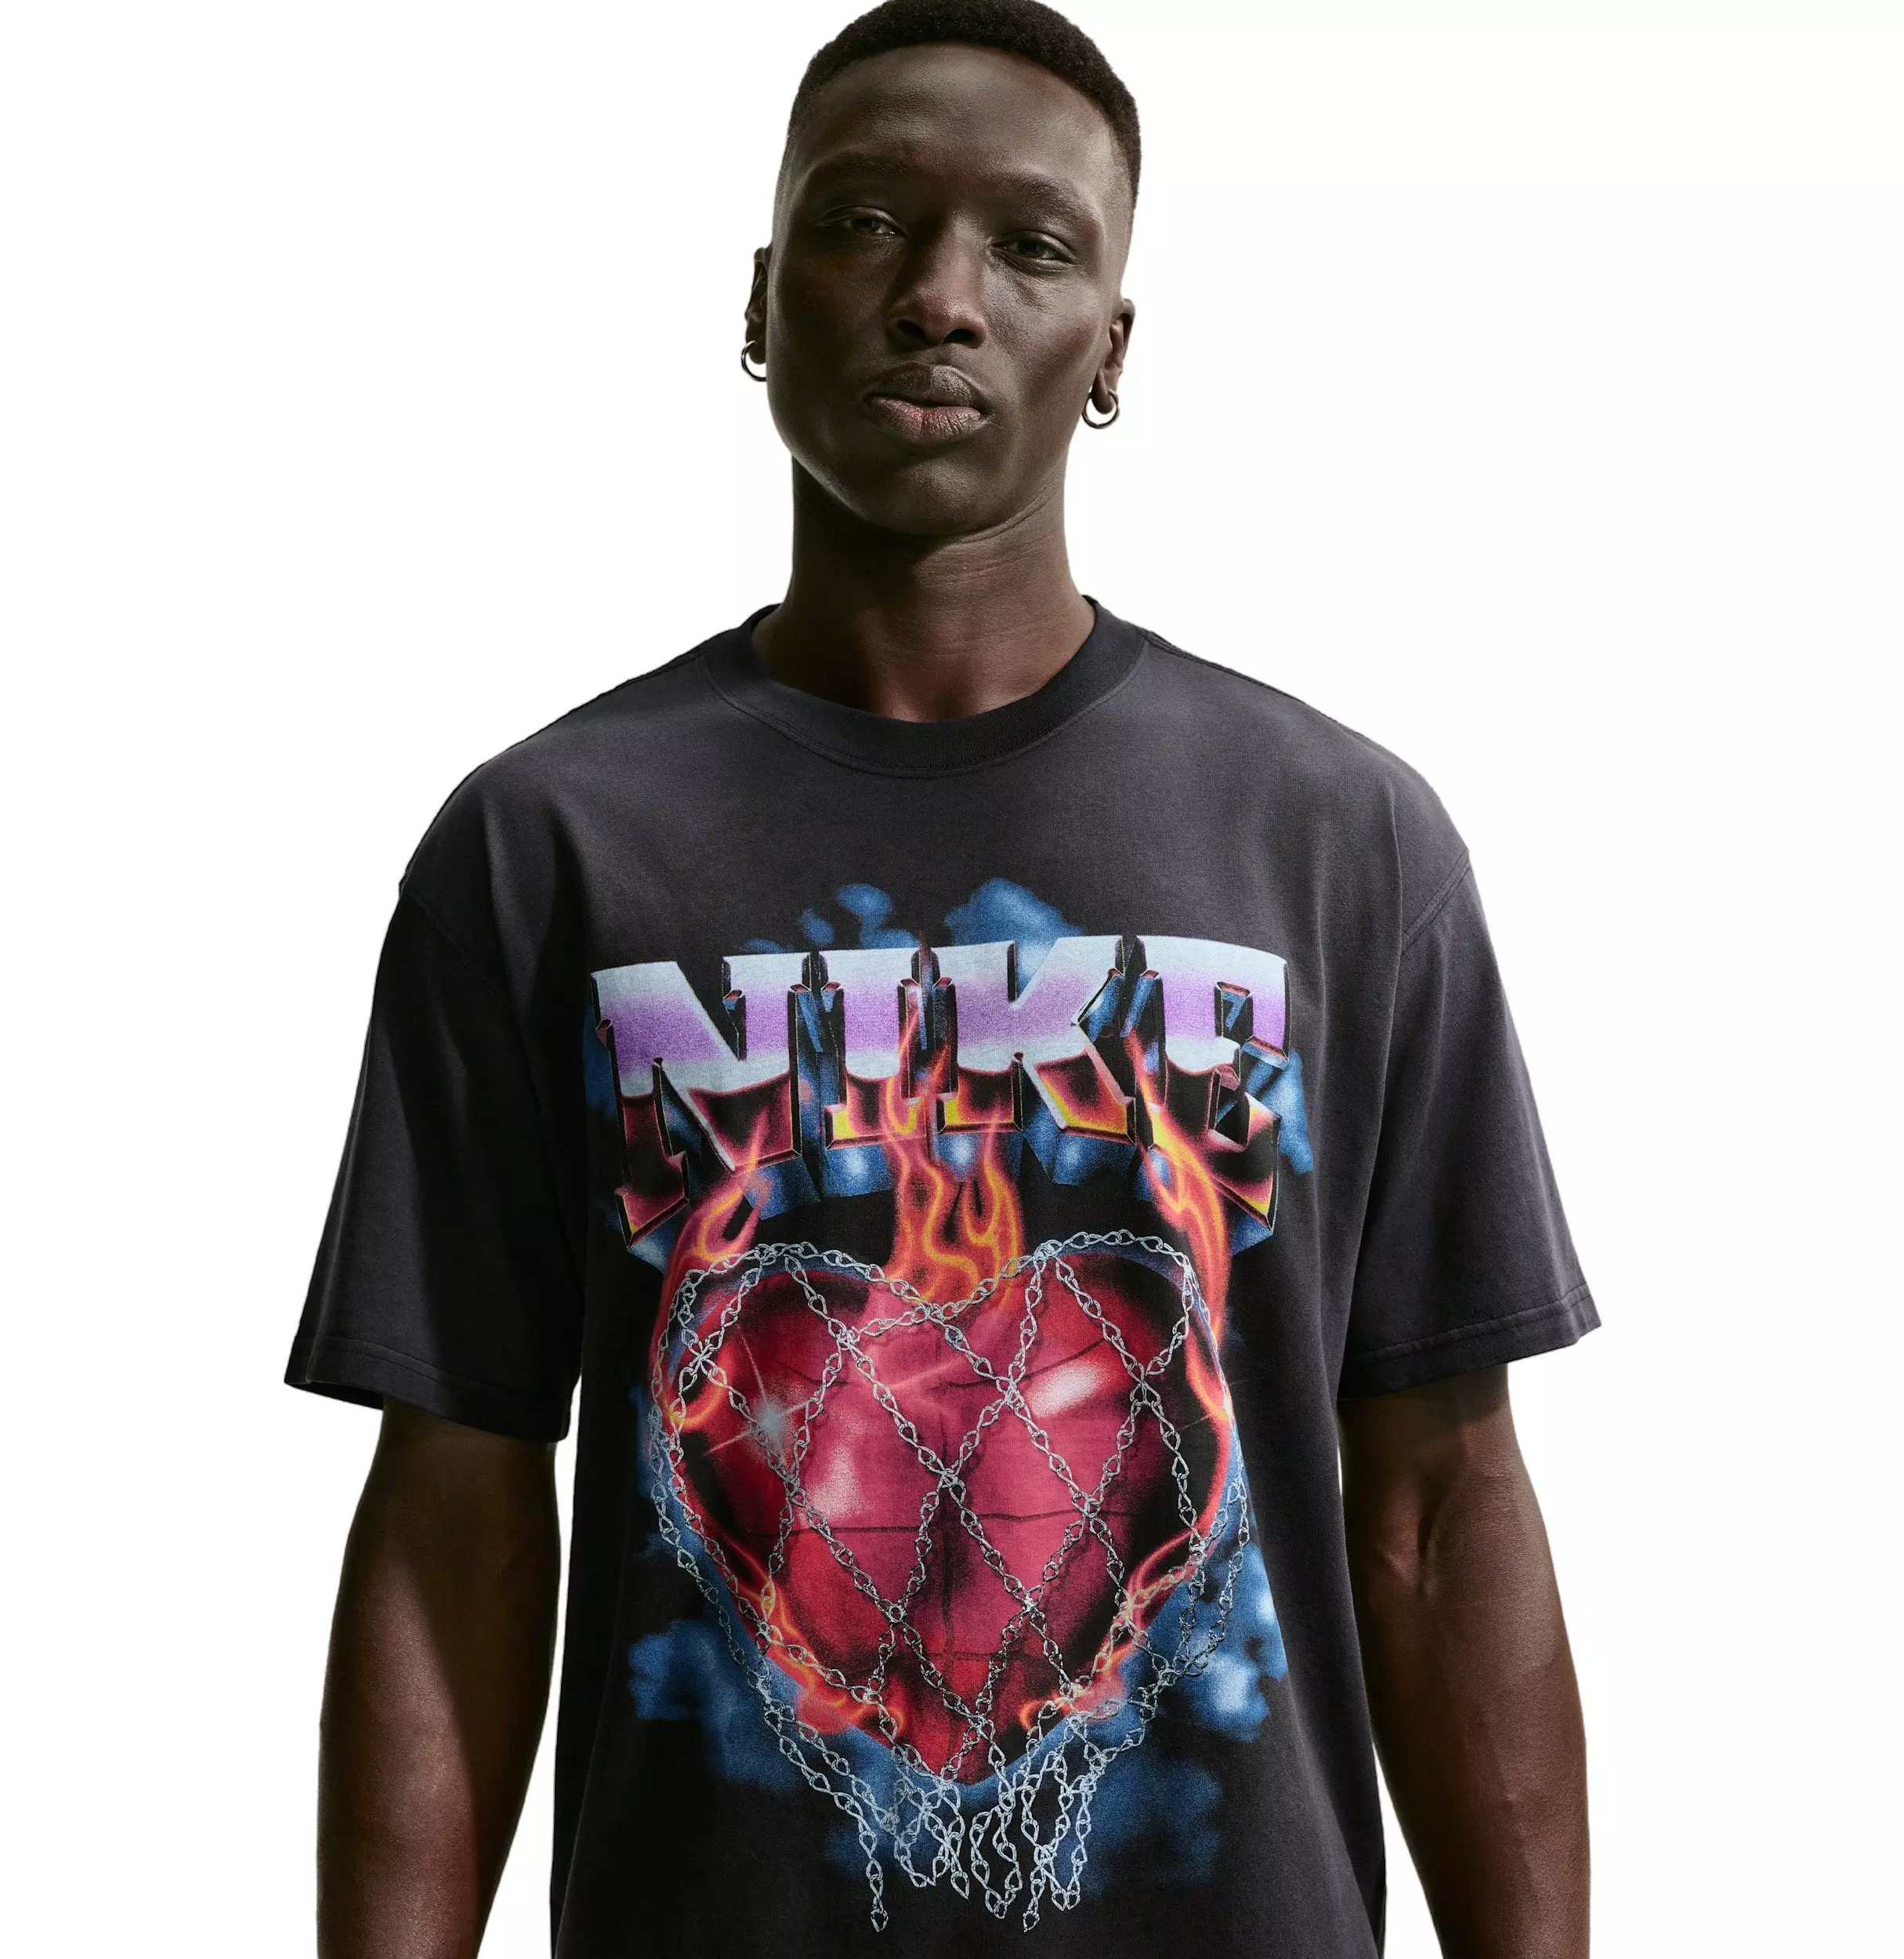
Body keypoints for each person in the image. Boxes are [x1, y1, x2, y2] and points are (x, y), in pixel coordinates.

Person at [288, 2, 1597, 1953]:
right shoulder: (546, 843)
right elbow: (456, 1515)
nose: (937, 296)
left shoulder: (1335, 839)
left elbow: (1436, 1507)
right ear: (759, 300)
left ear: (1110, 347)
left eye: (1029, 244)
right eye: (864, 222)